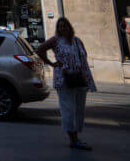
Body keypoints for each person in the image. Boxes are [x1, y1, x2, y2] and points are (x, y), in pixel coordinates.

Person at [36, 17, 96, 151]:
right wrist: (51, 63)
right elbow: (39, 49)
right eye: (60, 27)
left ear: (70, 27)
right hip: (64, 79)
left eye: (65, 26)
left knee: (78, 109)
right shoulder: (55, 40)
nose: (63, 28)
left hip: (79, 78)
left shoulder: (77, 41)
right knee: (68, 109)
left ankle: (77, 138)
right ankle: (73, 140)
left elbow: (84, 56)